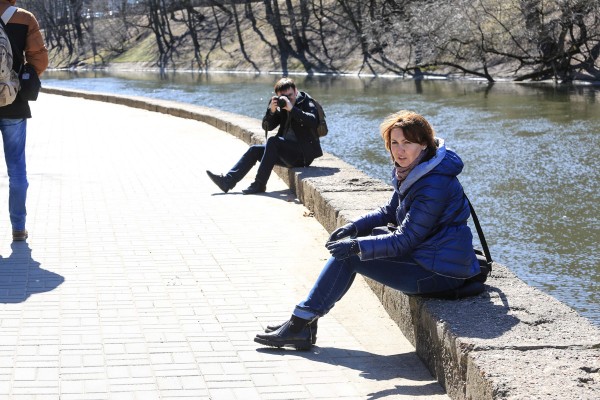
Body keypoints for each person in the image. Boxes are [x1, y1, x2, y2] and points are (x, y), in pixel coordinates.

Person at [254, 110, 481, 350]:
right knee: (360, 245)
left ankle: (300, 324)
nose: (399, 150)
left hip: (440, 272)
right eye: (394, 143)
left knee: (350, 256)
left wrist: (356, 245)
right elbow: (389, 211)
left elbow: (405, 239)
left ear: (424, 144)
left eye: (407, 142)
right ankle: (304, 323)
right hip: (429, 258)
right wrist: (354, 227)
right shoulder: (417, 169)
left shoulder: (433, 183)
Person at [206, 77, 323, 195]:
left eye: (290, 95)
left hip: (302, 155)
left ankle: (259, 184)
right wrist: (271, 111)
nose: (288, 99)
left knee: (273, 141)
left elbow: (313, 121)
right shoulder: (281, 105)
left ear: (296, 90)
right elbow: (267, 126)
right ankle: (227, 182)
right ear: (278, 95)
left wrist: (292, 109)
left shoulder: (306, 102)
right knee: (254, 150)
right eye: (284, 96)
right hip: (286, 152)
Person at [0, 0, 48, 241]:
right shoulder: (23, 17)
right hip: (14, 102)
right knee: (17, 168)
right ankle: (18, 227)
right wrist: (19, 80)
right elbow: (39, 59)